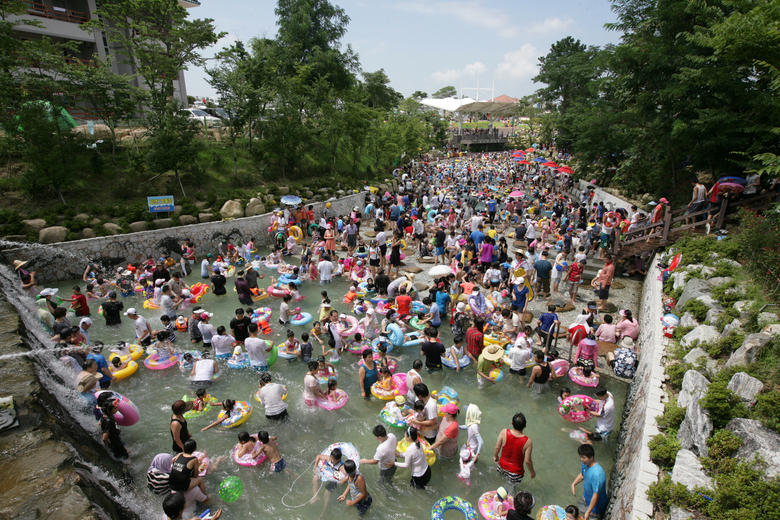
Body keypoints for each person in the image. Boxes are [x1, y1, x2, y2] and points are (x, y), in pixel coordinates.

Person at [494, 412, 535, 490]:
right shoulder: (528, 442)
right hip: (515, 473)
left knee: (499, 486)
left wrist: (496, 456)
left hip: (502, 466)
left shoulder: (504, 432)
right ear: (525, 426)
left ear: (512, 423)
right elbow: (527, 461)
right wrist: (532, 472)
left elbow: (497, 447)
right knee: (511, 490)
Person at [570, 444, 608, 520]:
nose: (581, 459)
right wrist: (573, 484)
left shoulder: (597, 475)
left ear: (591, 458)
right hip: (586, 497)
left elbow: (596, 495)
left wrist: (588, 512)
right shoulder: (585, 463)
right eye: (580, 457)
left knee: (589, 517)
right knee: (577, 514)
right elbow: (583, 474)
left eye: (584, 458)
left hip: (596, 506)